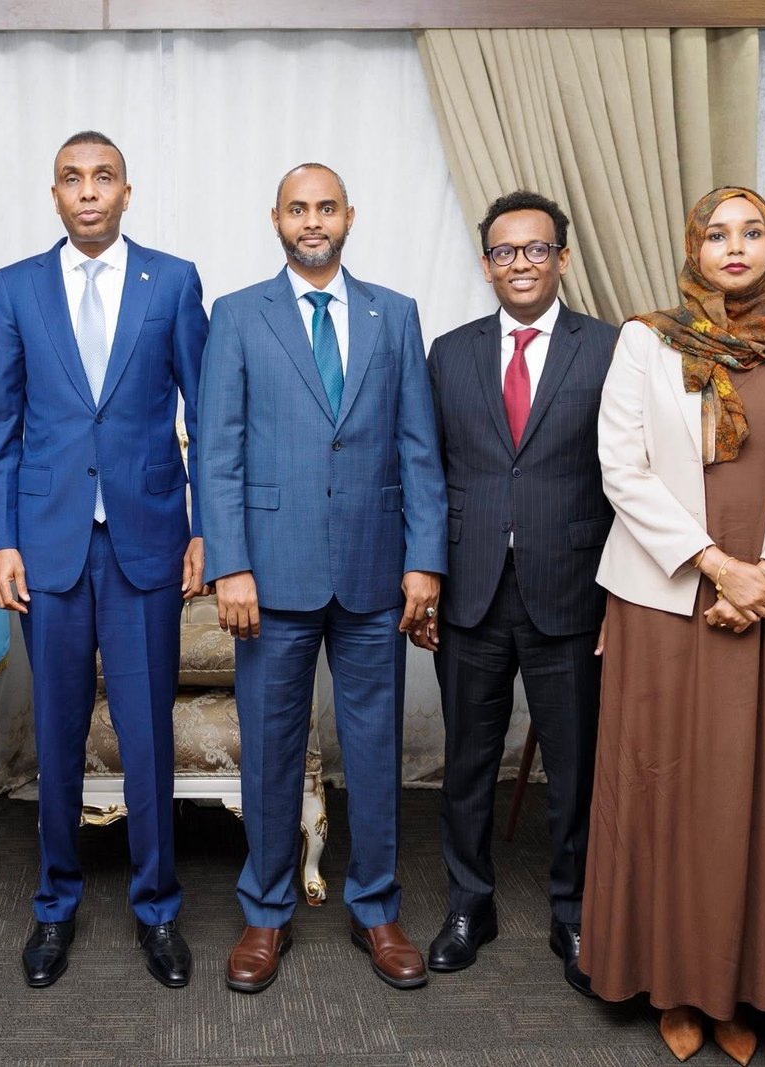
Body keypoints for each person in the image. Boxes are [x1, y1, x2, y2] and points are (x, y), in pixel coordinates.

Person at [583, 187, 765, 1063]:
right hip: (669, 596)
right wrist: (718, 565)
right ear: (694, 247)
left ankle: (744, 987)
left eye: (752, 232)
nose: (735, 246)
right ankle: (672, 983)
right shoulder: (646, 340)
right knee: (663, 792)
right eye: (717, 233)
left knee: (762, 797)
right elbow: (622, 467)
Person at [199, 163, 447, 994]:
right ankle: (266, 911)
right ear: (275, 219)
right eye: (298, 209)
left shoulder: (394, 314)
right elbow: (218, 452)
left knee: (375, 750)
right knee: (270, 751)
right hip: (270, 575)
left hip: (377, 572)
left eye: (326, 208)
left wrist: (424, 559)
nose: (313, 221)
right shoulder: (237, 315)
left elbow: (419, 447)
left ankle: (375, 906)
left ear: (350, 216)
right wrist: (231, 564)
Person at [0, 131, 207, 989]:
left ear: (125, 191)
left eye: (102, 177)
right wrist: (2, 539)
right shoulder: (17, 287)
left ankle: (158, 907)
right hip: (48, 546)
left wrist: (207, 530)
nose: (87, 191)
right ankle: (55, 903)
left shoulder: (172, 281)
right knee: (59, 732)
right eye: (72, 179)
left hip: (147, 541)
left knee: (147, 736)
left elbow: (207, 412)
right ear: (55, 194)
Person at [418, 191, 617, 996]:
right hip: (469, 591)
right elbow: (426, 472)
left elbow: (633, 480)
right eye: (505, 251)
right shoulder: (449, 353)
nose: (521, 263)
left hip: (572, 590)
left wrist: (624, 599)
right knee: (466, 762)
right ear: (487, 264)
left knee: (575, 767)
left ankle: (575, 911)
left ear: (562, 259)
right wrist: (423, 576)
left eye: (537, 249)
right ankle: (470, 905)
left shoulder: (610, 349)